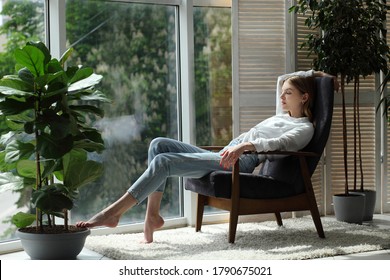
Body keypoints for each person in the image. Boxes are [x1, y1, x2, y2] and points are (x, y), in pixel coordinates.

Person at [76, 70, 337, 243]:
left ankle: (112, 213)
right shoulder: (282, 116)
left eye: (288, 93)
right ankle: (152, 216)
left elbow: (278, 143)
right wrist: (319, 75)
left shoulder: (304, 128)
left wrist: (244, 147)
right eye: (282, 92)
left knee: (163, 162)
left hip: (241, 161)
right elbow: (290, 78)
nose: (281, 96)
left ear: (304, 97)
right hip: (231, 150)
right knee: (159, 145)